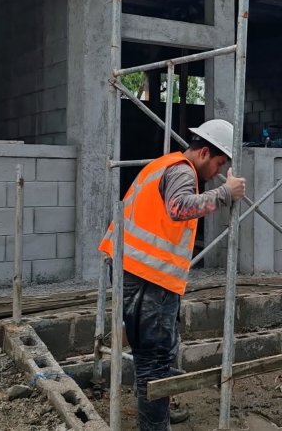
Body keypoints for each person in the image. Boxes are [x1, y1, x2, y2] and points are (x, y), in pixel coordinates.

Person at [99, 119, 246, 431]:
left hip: (142, 274)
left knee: (154, 354)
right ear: (205, 153)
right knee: (154, 358)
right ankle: (154, 426)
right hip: (147, 278)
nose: (218, 172)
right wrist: (225, 193)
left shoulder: (165, 164)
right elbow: (179, 207)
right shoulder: (182, 171)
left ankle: (158, 415)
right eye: (219, 163)